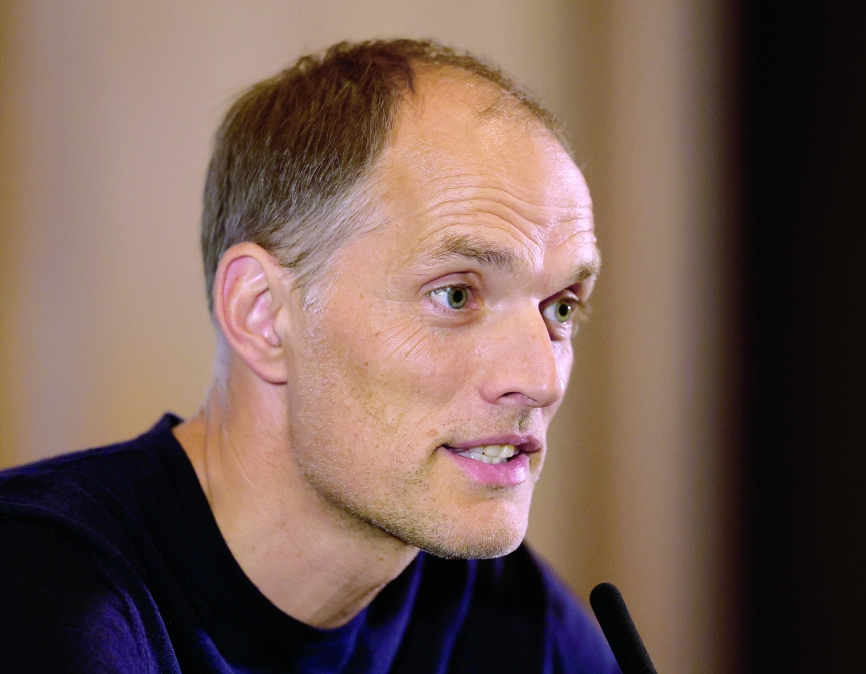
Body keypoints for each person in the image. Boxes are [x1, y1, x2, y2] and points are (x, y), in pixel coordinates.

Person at [0, 39, 618, 673]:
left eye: (561, 307)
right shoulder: (39, 589)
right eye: (456, 295)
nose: (540, 377)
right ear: (263, 315)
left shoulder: (509, 616)